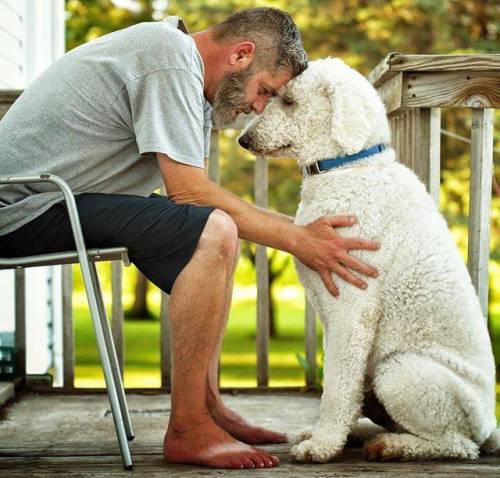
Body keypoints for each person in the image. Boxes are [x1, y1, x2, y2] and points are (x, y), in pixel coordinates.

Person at [0, 7, 379, 469]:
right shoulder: (167, 59)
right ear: (241, 54)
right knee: (214, 226)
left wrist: (294, 231)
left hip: (56, 202)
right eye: (265, 91)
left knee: (218, 234)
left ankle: (208, 406)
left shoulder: (186, 77)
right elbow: (190, 193)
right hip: (19, 208)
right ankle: (187, 428)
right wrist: (300, 239)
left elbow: (194, 198)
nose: (258, 108)